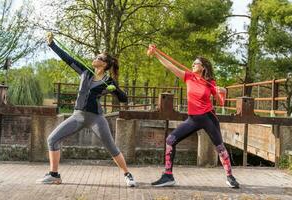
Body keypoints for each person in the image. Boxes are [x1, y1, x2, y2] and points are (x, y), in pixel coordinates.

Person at [36, 32, 136, 187]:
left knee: (111, 147)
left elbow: (124, 99)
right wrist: (52, 44)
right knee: (52, 139)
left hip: (96, 118)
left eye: (99, 57)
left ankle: (127, 174)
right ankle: (54, 175)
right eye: (96, 56)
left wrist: (115, 89)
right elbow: (67, 58)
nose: (95, 58)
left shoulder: (108, 81)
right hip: (77, 116)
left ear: (103, 64)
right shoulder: (85, 71)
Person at [148, 45, 239, 188]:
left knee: (220, 147)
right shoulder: (189, 77)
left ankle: (230, 177)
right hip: (193, 119)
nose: (193, 65)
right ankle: (168, 176)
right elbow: (171, 67)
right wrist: (156, 54)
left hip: (208, 118)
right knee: (170, 140)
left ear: (203, 67)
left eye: (195, 63)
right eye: (193, 63)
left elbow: (221, 102)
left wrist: (224, 91)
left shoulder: (210, 83)